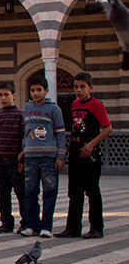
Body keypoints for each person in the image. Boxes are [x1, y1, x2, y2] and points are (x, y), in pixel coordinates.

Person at [57, 71, 112, 239]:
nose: (79, 90)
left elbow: (108, 128)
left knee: (92, 191)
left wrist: (91, 144)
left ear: (90, 87)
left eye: (82, 87)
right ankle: (73, 228)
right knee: (74, 191)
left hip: (91, 152)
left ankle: (96, 228)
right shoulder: (74, 104)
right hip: (75, 150)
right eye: (76, 87)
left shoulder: (96, 105)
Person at [20, 75, 66, 238]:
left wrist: (60, 156)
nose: (36, 93)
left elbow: (60, 134)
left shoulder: (54, 109)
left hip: (49, 157)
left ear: (46, 91)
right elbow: (26, 132)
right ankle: (32, 225)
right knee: (30, 192)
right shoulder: (27, 108)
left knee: (49, 192)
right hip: (31, 157)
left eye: (39, 90)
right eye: (33, 90)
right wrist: (23, 153)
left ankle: (46, 226)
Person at [0, 81, 26, 234]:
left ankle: (25, 222)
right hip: (0, 161)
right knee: (2, 195)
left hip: (15, 161)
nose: (3, 98)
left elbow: (24, 138)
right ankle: (6, 222)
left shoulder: (20, 115)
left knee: (21, 194)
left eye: (6, 95)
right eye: (0, 95)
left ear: (13, 96)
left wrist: (22, 160)